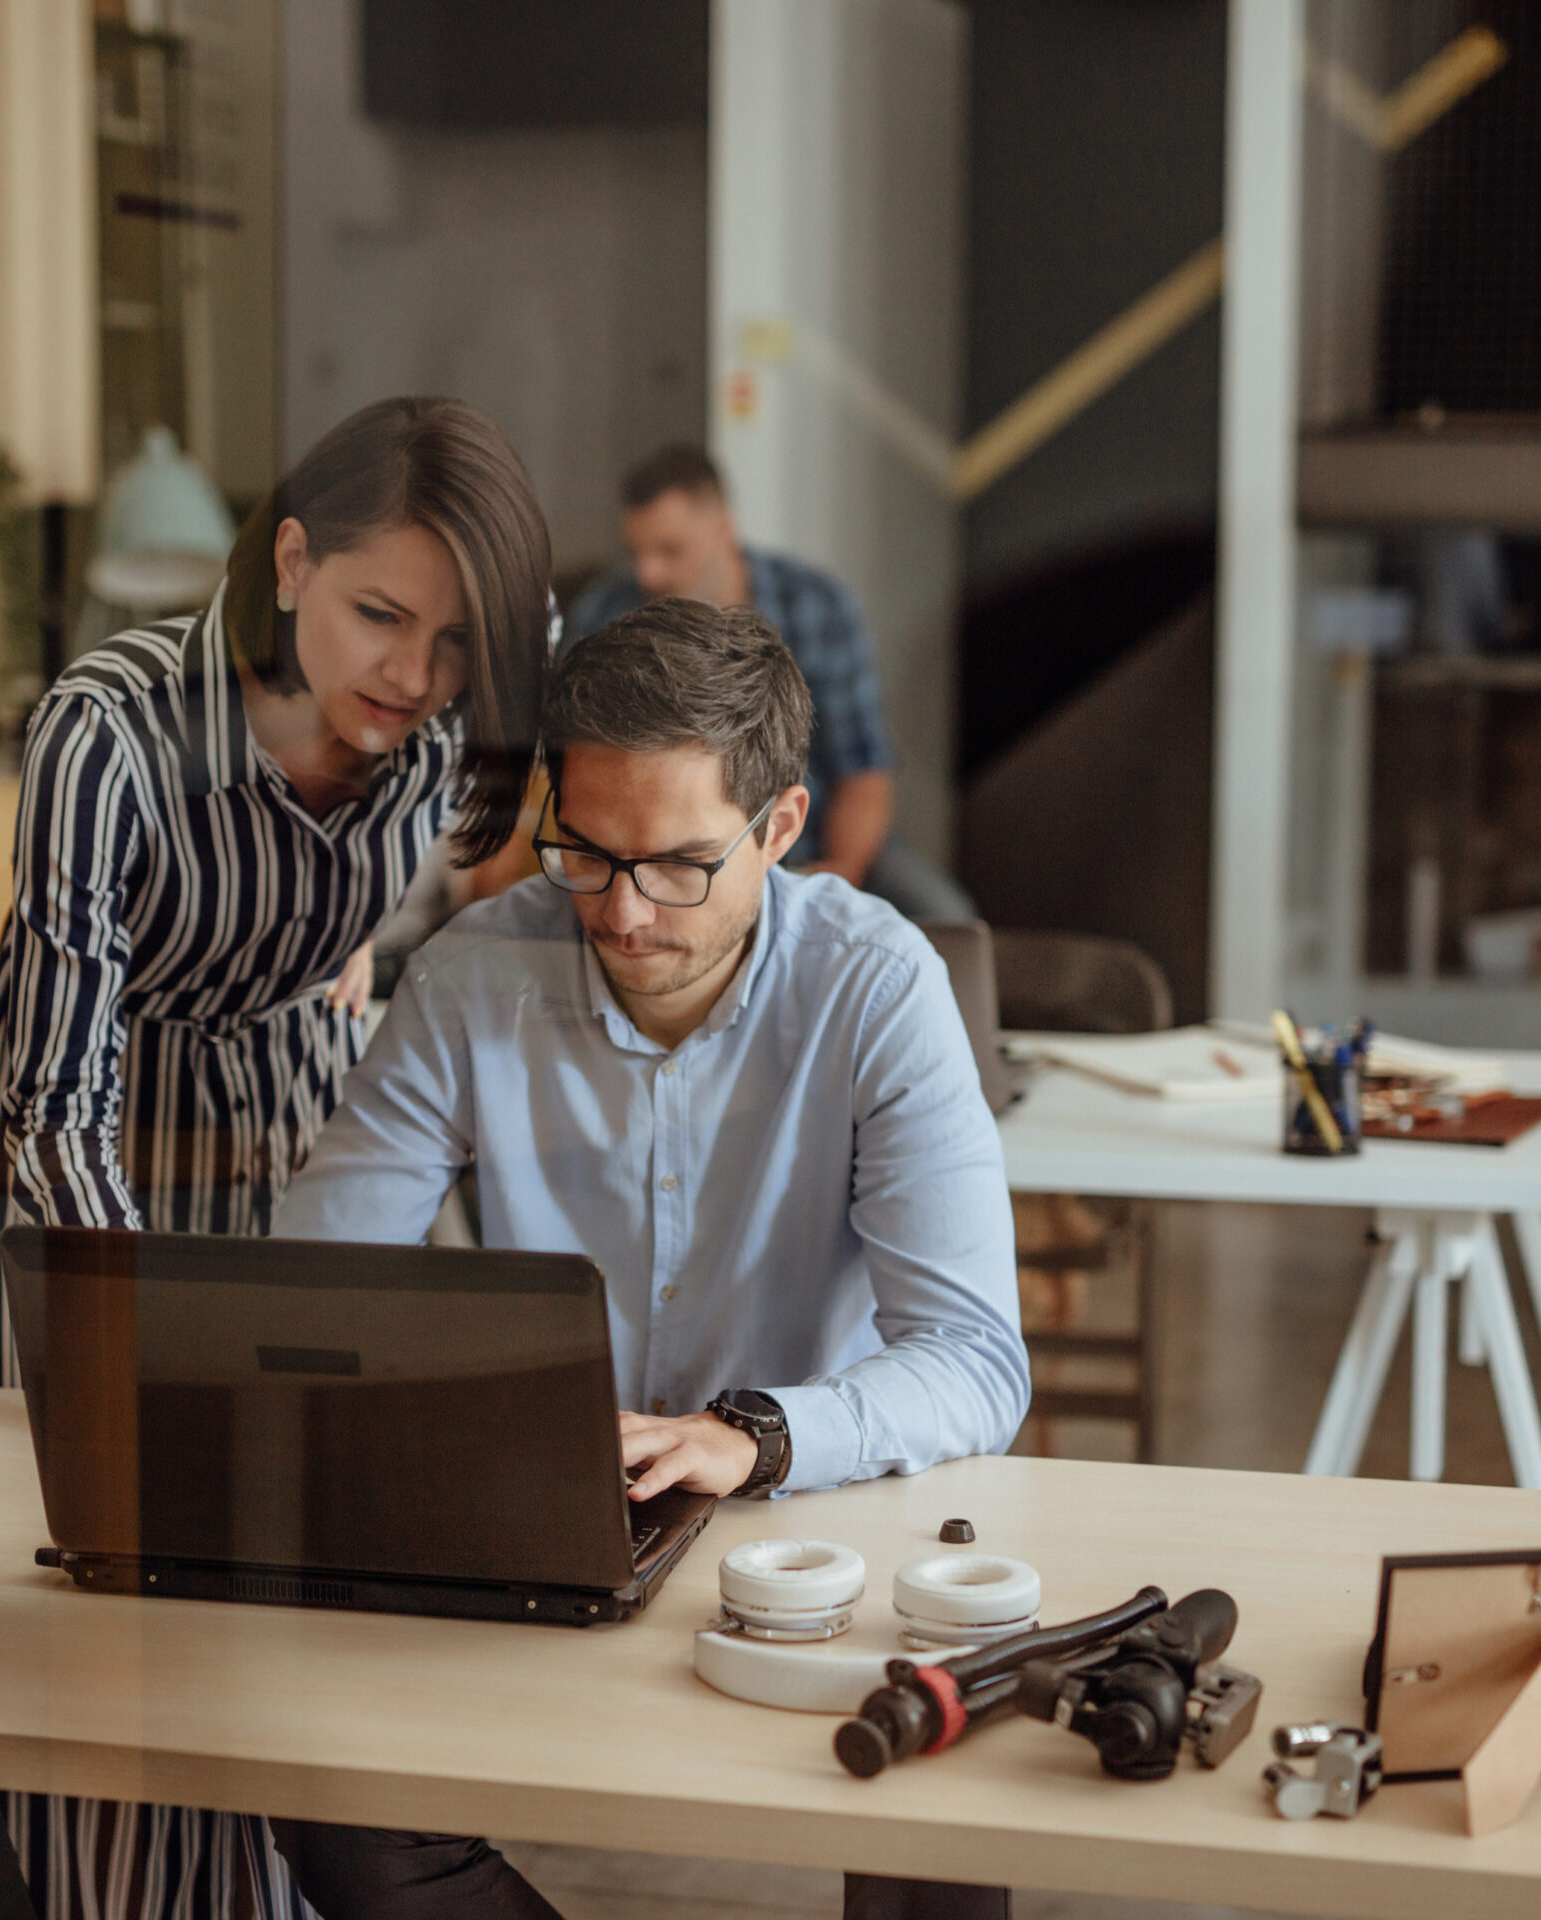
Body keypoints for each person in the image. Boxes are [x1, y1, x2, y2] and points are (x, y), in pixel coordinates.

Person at [0, 396, 554, 1920]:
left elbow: (442, 859)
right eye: (377, 616)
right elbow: (53, 1094)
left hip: (297, 1131)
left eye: (450, 646)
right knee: (101, 1593)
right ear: (290, 560)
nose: (410, 679)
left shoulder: (435, 719)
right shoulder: (109, 729)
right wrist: (137, 1351)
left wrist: (343, 948)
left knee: (294, 1602)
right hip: (87, 1145)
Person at [268, 598, 1028, 1920]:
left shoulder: (879, 987)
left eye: (678, 864)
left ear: (780, 830)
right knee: (325, 1799)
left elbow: (974, 1363)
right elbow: (309, 1299)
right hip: (548, 1530)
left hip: (820, 1524)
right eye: (587, 852)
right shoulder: (473, 979)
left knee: (948, 1830)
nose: (621, 913)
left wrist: (757, 1438)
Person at [567, 445, 979, 923]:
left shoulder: (818, 605)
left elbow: (862, 769)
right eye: (637, 552)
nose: (648, 572)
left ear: (723, 528)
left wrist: (836, 878)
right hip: (666, 850)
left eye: (669, 550)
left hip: (817, 842)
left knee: (948, 918)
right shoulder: (604, 616)